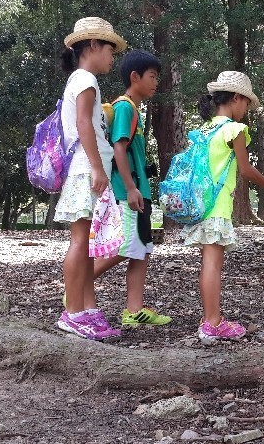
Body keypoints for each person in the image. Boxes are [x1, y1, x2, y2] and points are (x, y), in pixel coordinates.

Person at [183, 71, 264, 344]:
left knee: (208, 264)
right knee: (213, 265)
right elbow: (246, 169)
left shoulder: (204, 130)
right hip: (217, 208)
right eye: (246, 104)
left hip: (200, 205)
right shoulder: (234, 130)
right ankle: (213, 323)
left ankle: (209, 319)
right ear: (236, 98)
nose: (247, 110)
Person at [54, 17, 126, 340]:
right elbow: (85, 124)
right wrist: (98, 167)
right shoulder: (86, 80)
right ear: (93, 46)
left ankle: (87, 310)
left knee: (88, 244)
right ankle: (72, 313)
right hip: (86, 170)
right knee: (81, 242)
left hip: (85, 170)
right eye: (110, 49)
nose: (113, 56)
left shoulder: (79, 79)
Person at [92, 50, 171, 328]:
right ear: (134, 77)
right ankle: (78, 287)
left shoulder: (135, 109)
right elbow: (118, 149)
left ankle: (133, 310)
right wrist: (130, 188)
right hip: (129, 192)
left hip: (140, 192)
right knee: (126, 246)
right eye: (152, 76)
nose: (155, 82)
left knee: (142, 249)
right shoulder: (125, 107)